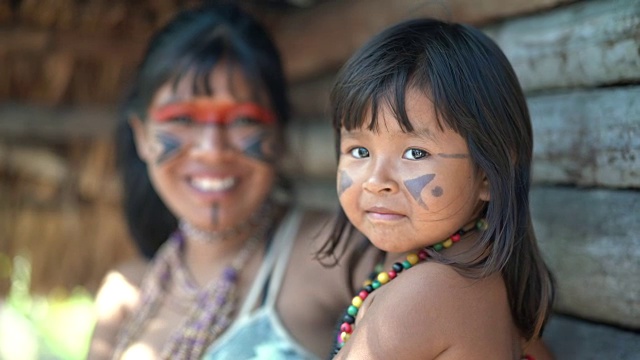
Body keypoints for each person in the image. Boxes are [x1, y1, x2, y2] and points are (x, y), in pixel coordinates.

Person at [86, 2, 378, 359]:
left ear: (279, 134)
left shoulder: (338, 251)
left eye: (243, 121)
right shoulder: (125, 294)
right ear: (142, 136)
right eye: (182, 119)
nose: (212, 150)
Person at [323, 17, 556, 359]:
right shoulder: (485, 286)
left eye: (415, 153)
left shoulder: (430, 293)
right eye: (360, 151)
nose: (376, 181)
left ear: (489, 175)